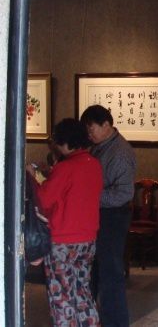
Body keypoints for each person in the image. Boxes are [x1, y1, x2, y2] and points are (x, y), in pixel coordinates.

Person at [27, 118, 103, 326]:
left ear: (64, 141)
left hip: (63, 241)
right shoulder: (94, 164)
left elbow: (44, 200)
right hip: (88, 238)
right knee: (82, 292)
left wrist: (33, 177)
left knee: (61, 296)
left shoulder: (65, 167)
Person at [80, 104, 136, 327]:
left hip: (113, 217)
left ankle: (115, 323)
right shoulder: (99, 147)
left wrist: (90, 196)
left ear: (106, 125)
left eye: (91, 128)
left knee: (110, 274)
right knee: (95, 271)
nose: (89, 134)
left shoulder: (120, 152)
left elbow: (124, 193)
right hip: (99, 215)